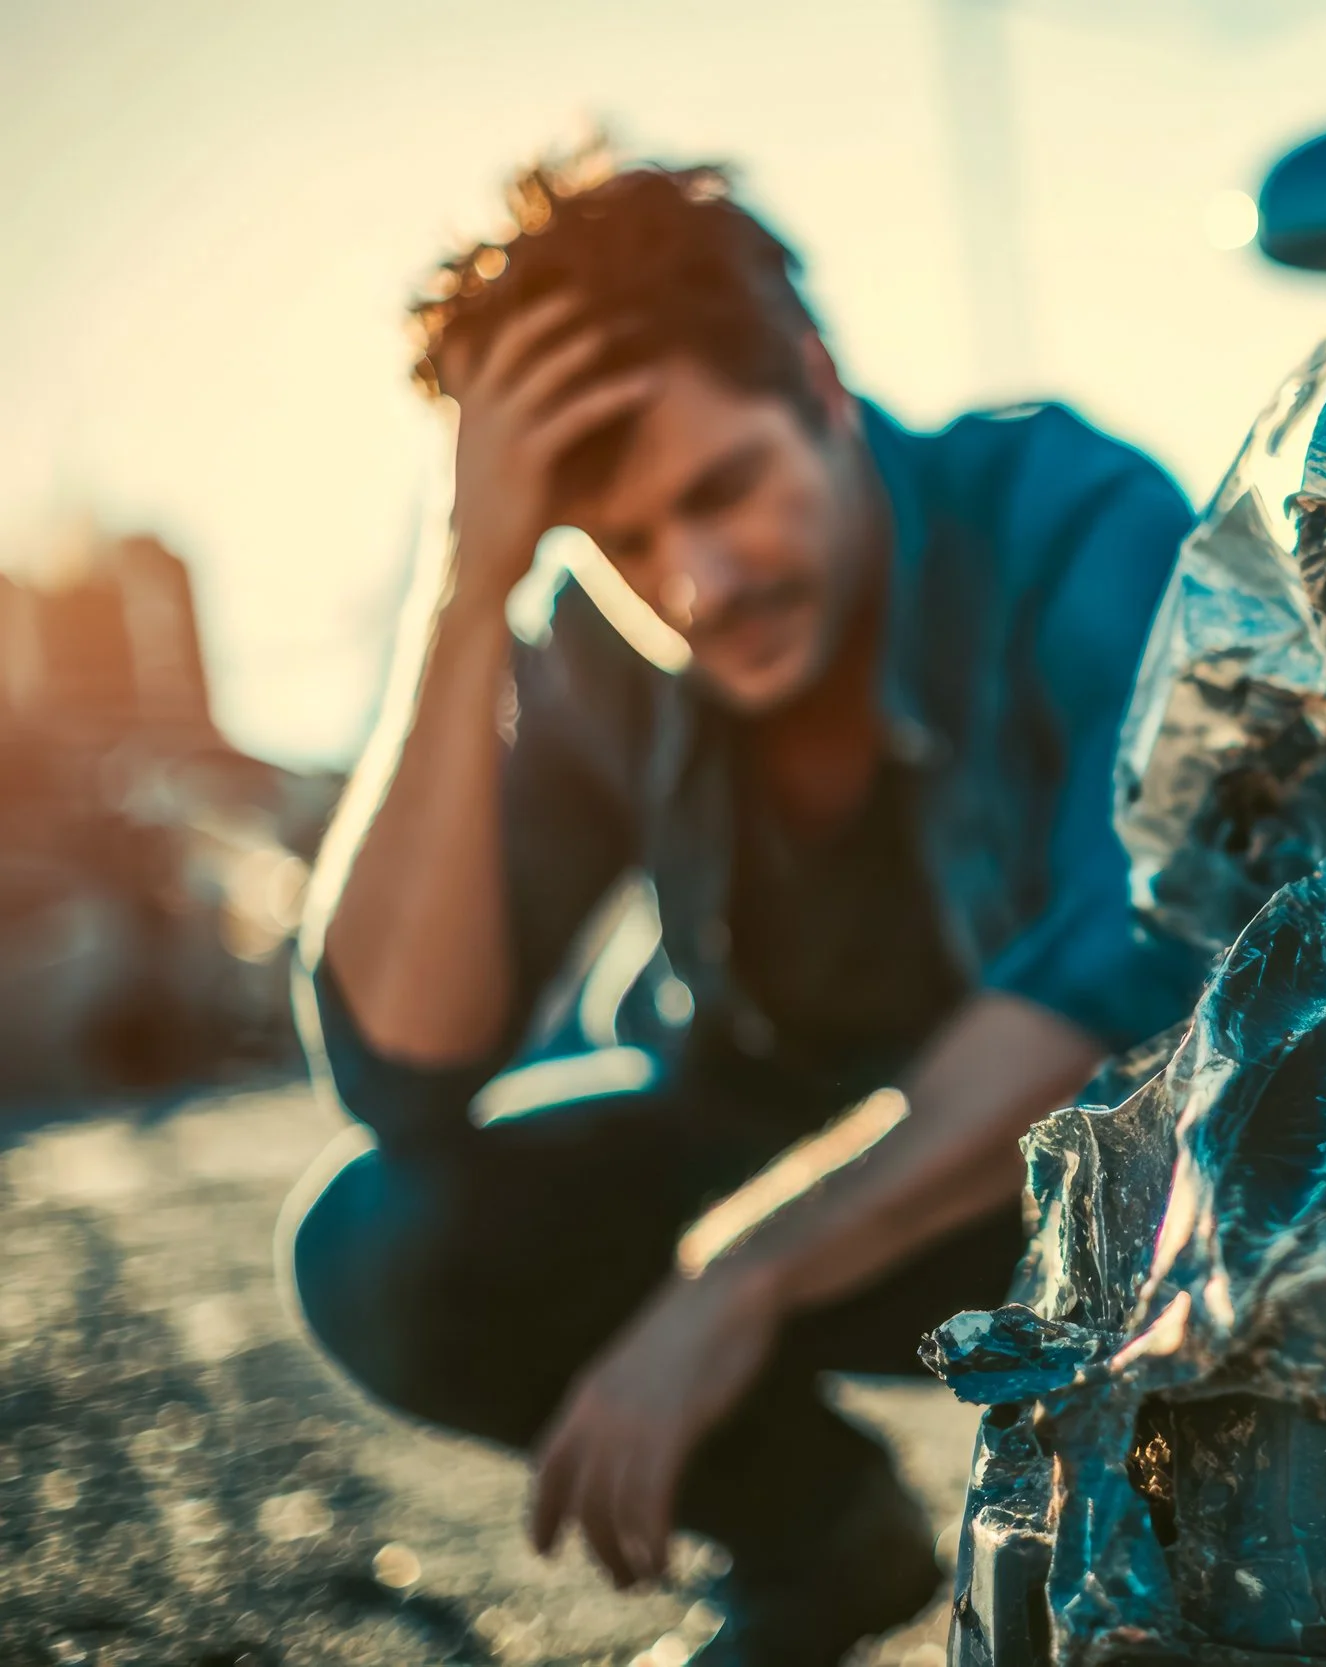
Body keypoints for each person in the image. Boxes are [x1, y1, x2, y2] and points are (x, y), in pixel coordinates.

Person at [280, 152, 1204, 1664]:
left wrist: (739, 1274)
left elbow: (1145, 958)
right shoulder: (599, 646)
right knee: (384, 1238)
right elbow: (402, 1064)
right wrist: (465, 587)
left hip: (1114, 1201)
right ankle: (822, 1539)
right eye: (626, 541)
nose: (694, 584)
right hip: (806, 1170)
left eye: (721, 491)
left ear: (823, 386)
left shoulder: (1069, 510)